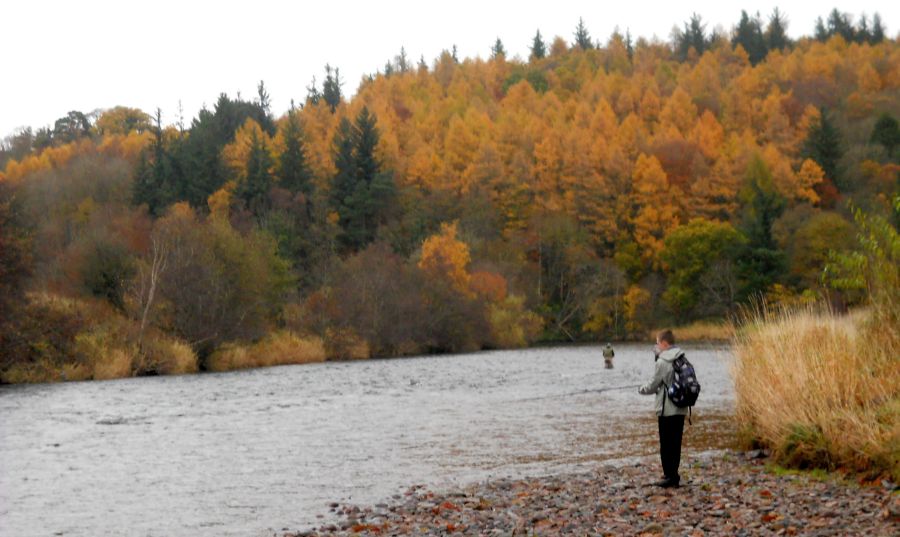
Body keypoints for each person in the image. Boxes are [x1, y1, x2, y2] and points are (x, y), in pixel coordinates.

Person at [638, 329, 688, 488]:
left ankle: (669, 476)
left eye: (658, 343)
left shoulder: (662, 361)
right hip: (681, 407)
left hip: (666, 409)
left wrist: (641, 389)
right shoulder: (682, 357)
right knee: (676, 442)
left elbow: (653, 385)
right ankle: (674, 475)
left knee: (666, 444)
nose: (657, 346)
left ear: (665, 343)